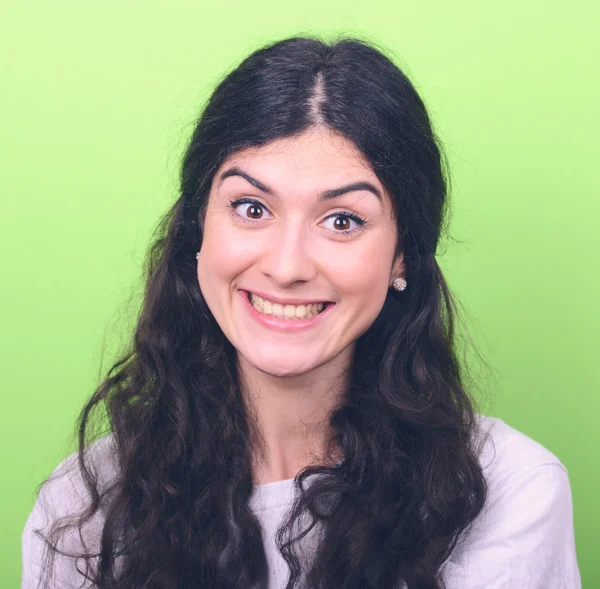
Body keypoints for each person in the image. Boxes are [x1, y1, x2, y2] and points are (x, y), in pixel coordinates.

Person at [21, 35, 581, 589]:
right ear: (198, 231)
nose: (287, 266)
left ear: (402, 254)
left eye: (342, 220)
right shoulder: (85, 506)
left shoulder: (508, 492)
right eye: (251, 207)